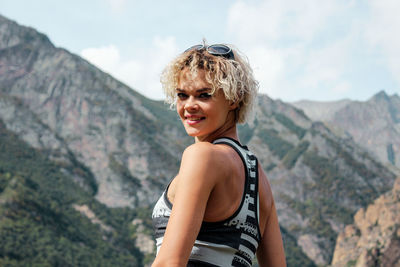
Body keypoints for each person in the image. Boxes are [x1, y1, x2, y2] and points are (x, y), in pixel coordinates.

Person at [151, 42, 286, 267]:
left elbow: (169, 263)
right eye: (182, 95)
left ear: (234, 98)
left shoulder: (202, 156)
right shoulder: (259, 178)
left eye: (204, 95)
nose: (189, 106)